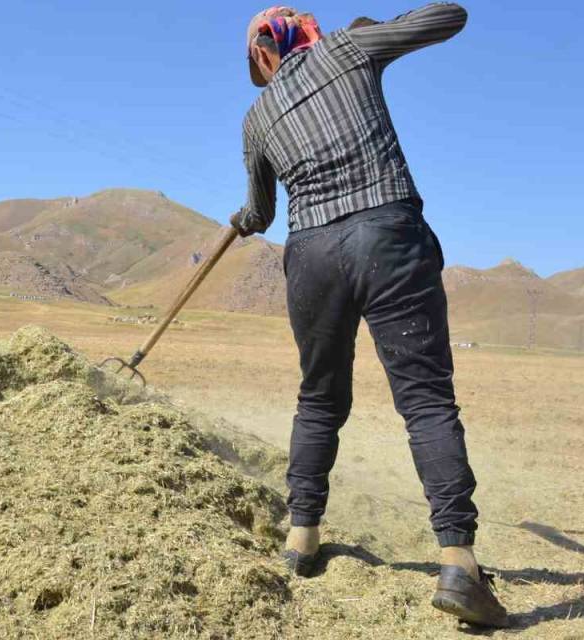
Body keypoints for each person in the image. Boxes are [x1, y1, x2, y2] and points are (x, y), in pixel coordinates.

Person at [230, 3, 508, 628]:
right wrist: (372, 28)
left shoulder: (257, 117)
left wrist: (243, 220)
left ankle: (301, 540)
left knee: (319, 399)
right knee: (426, 401)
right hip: (384, 233)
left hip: (312, 256)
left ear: (262, 56)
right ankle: (459, 563)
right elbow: (450, 16)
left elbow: (261, 212)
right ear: (295, 37)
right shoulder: (350, 51)